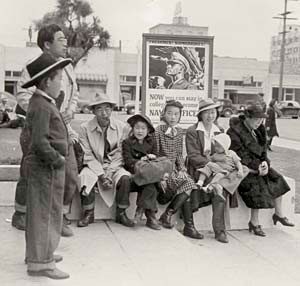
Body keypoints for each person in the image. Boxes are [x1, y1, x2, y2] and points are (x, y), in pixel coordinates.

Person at [11, 24, 80, 237]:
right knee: (31, 173)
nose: (65, 42)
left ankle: (57, 216)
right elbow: (22, 95)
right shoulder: (33, 67)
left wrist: (70, 110)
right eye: (60, 39)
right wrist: (45, 112)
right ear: (47, 44)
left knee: (68, 173)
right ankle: (21, 214)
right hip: (38, 129)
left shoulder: (67, 68)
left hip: (62, 128)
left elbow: (74, 94)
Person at [22, 53, 72, 279]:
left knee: (39, 213)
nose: (61, 83)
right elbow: (40, 141)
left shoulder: (41, 102)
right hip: (47, 170)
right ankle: (42, 262)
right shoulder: (42, 106)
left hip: (43, 169)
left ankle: (38, 254)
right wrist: (57, 160)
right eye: (59, 78)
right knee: (46, 214)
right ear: (46, 81)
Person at [227, 104, 294, 237]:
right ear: (247, 117)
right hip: (243, 168)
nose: (259, 122)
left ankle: (279, 214)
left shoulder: (259, 129)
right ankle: (254, 222)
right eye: (256, 119)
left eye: (261, 119)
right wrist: (257, 168)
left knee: (277, 178)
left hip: (259, 165)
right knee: (256, 185)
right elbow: (240, 155)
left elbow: (263, 150)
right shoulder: (234, 132)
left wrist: (265, 164)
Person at [186, 98, 247, 243]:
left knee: (242, 169)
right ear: (200, 115)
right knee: (220, 190)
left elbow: (225, 151)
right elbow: (193, 156)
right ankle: (220, 230)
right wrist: (213, 164)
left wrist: (225, 162)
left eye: (213, 112)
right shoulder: (193, 131)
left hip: (219, 169)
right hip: (200, 168)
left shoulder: (219, 131)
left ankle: (220, 230)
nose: (210, 116)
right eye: (206, 113)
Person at [78, 93, 135, 228]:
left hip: (114, 165)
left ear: (112, 109)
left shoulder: (122, 127)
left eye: (107, 108)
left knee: (125, 178)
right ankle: (88, 212)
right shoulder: (84, 128)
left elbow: (121, 153)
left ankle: (121, 213)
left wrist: (109, 173)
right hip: (94, 165)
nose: (104, 113)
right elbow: (88, 155)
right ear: (93, 111)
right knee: (85, 177)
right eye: (99, 109)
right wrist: (102, 175)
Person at [154, 100, 203, 239]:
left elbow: (179, 155)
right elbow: (156, 154)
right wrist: (162, 175)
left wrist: (182, 168)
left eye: (176, 114)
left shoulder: (179, 131)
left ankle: (169, 213)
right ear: (163, 114)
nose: (173, 117)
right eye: (169, 113)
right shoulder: (158, 131)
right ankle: (184, 223)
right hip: (162, 171)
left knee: (188, 181)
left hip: (174, 172)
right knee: (188, 183)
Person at [122, 114, 161, 230]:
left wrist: (152, 158)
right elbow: (128, 161)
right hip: (134, 173)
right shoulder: (127, 142)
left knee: (150, 182)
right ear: (132, 129)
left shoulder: (152, 142)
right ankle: (150, 216)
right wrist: (140, 161)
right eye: (137, 128)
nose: (140, 131)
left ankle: (140, 210)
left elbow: (157, 160)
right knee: (150, 183)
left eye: (143, 128)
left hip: (148, 173)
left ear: (148, 130)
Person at [196, 133, 247, 202]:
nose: (216, 148)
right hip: (215, 169)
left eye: (218, 146)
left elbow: (238, 162)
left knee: (218, 176)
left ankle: (209, 187)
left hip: (224, 171)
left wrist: (240, 170)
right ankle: (200, 182)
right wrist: (207, 155)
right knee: (206, 167)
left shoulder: (231, 153)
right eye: (215, 146)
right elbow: (209, 160)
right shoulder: (215, 154)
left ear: (225, 146)